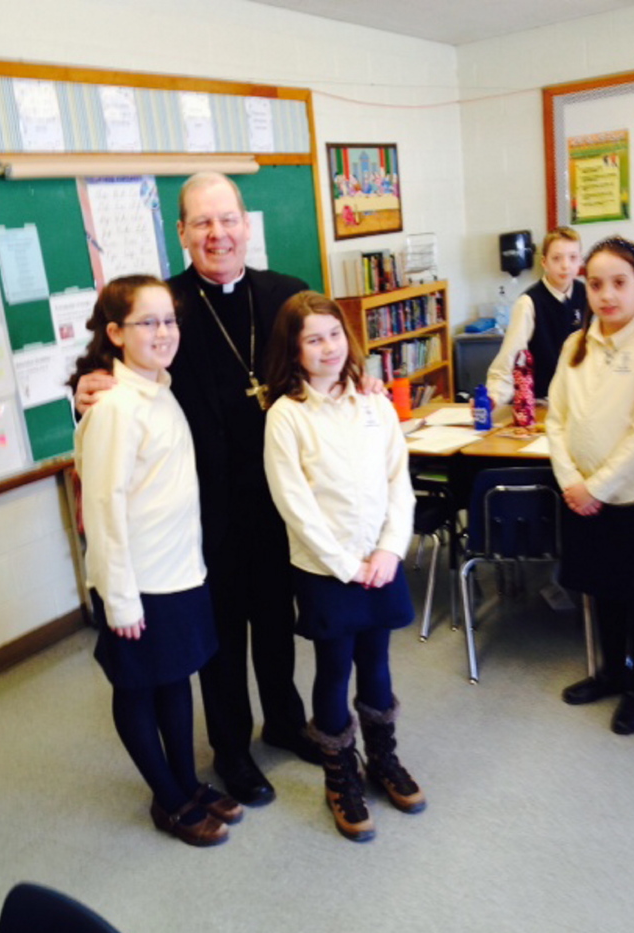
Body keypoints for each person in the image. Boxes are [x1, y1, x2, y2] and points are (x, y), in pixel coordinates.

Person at [74, 172, 319, 806]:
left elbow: (328, 359)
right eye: (202, 223)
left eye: (228, 219)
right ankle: (232, 752)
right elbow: (114, 374)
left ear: (246, 224)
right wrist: (85, 392)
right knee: (219, 641)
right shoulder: (166, 306)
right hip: (201, 515)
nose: (218, 234)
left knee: (274, 622)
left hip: (278, 503)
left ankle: (287, 723)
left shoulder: (287, 296)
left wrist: (363, 385)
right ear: (181, 232)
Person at [73, 274, 243, 846]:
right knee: (138, 687)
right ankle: (167, 800)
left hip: (178, 572)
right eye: (148, 322)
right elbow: (102, 505)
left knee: (176, 680)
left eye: (169, 320)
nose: (164, 331)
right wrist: (119, 598)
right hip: (139, 584)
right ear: (116, 333)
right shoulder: (116, 407)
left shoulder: (157, 388)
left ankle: (187, 783)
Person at [263, 291, 425, 842]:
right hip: (325, 569)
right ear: (294, 349)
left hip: (379, 561)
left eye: (334, 334)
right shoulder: (286, 416)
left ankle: (382, 761)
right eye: (313, 338)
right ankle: (341, 777)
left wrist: (389, 550)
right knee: (334, 670)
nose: (328, 347)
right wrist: (343, 565)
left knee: (377, 664)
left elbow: (397, 483)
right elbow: (294, 504)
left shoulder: (375, 405)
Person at [546, 237, 634, 736]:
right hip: (584, 497)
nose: (606, 295)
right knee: (603, 591)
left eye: (618, 283)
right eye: (595, 284)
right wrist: (572, 481)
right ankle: (611, 672)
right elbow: (556, 420)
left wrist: (599, 487)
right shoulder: (576, 344)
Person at [486, 226, 586, 406]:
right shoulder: (529, 302)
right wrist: (493, 396)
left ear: (580, 260)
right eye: (556, 258)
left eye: (572, 257)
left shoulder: (587, 294)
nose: (565, 265)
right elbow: (511, 357)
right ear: (544, 262)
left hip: (581, 399)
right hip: (543, 401)